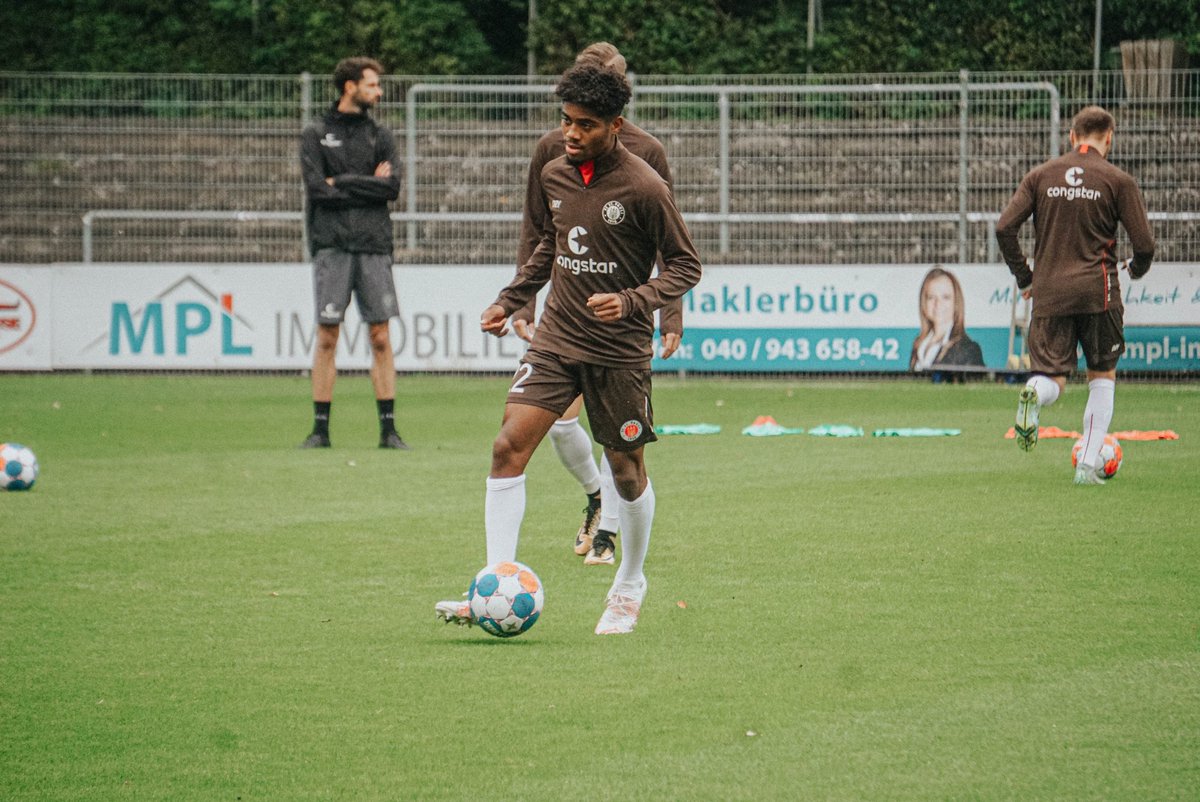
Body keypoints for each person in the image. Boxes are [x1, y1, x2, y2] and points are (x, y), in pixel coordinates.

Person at [437, 64, 702, 634]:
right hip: (557, 340)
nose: (570, 134)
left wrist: (635, 302)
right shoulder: (556, 173)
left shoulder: (644, 186)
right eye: (566, 122)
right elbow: (550, 250)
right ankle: (492, 582)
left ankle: (629, 584)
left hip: (618, 350)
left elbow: (685, 265)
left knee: (627, 471)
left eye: (585, 125)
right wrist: (512, 301)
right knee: (509, 445)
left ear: (615, 125)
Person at [511, 42, 684, 568]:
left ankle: (609, 530)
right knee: (559, 422)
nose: (573, 129)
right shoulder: (552, 149)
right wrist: (521, 301)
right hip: (564, 318)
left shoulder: (646, 155)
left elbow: (666, 243)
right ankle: (595, 495)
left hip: (618, 326)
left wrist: (666, 313)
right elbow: (540, 230)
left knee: (620, 444)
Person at [995, 105, 1155, 485]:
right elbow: (1145, 245)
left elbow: (1004, 228)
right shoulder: (1117, 180)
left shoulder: (1040, 176)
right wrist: (1133, 270)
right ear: (1109, 139)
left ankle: (1034, 392)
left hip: (1049, 293)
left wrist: (1025, 277)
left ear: (1072, 135)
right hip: (1098, 293)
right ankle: (1087, 465)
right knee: (1102, 375)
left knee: (1051, 376)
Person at [298, 56, 408, 450]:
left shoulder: (382, 136)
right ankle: (320, 430)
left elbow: (392, 187)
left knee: (380, 336)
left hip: (374, 245)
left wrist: (341, 180)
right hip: (332, 245)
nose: (378, 92)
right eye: (373, 85)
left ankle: (389, 431)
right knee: (328, 336)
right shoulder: (316, 134)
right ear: (350, 87)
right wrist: (367, 184)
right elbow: (317, 191)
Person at [908, 265, 984, 381]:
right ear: (924, 302)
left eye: (946, 297)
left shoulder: (969, 349)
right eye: (931, 297)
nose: (938, 304)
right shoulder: (919, 344)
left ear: (956, 302)